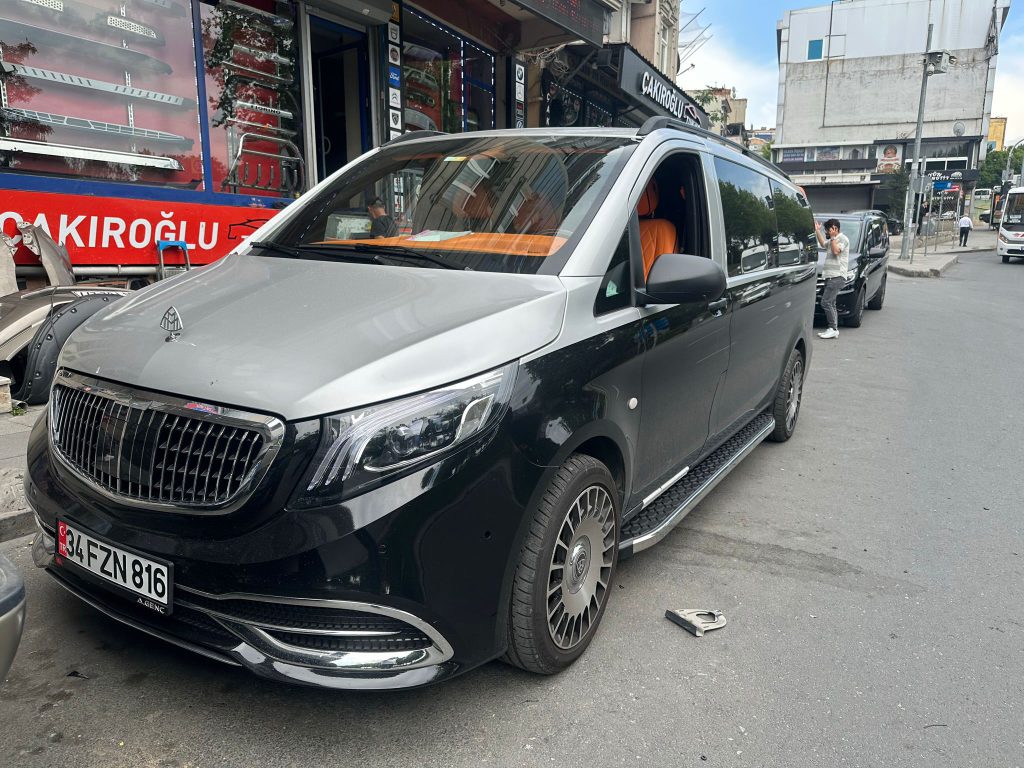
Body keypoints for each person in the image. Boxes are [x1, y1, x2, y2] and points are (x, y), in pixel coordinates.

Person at [814, 218, 849, 340]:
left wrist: (833, 237)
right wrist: (817, 231)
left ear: (835, 228)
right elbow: (823, 244)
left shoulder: (843, 239)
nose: (827, 233)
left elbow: (836, 251)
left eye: (828, 230)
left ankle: (833, 328)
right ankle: (833, 328)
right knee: (831, 303)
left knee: (826, 302)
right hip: (830, 276)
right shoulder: (832, 240)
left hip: (837, 276)